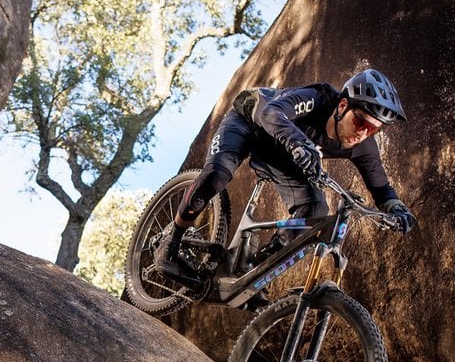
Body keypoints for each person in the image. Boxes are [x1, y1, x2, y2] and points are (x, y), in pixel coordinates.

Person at [156, 68, 416, 281]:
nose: (363, 134)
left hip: (282, 153)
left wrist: (398, 209)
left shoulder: (363, 147)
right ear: (343, 106)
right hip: (250, 124)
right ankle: (171, 242)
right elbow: (271, 112)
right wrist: (298, 143)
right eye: (360, 122)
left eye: (373, 130)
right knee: (217, 174)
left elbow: (381, 189)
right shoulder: (320, 98)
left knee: (314, 212)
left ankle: (254, 270)